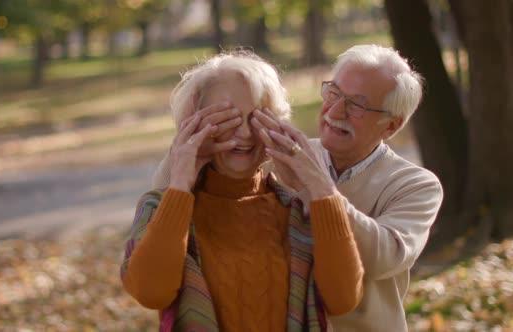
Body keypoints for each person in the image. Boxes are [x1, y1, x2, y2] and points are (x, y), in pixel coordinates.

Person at [151, 45, 444, 331]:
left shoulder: (416, 186)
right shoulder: (285, 155)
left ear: (391, 126)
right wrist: (185, 144)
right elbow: (162, 204)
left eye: (357, 104)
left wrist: (317, 189)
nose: (336, 110)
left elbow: (385, 257)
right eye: (334, 92)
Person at [121, 51, 364, 331]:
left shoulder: (297, 211)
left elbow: (343, 300)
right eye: (229, 119)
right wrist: (180, 184)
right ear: (192, 124)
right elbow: (151, 292)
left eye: (258, 118)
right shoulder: (162, 207)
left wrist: (322, 188)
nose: (245, 134)